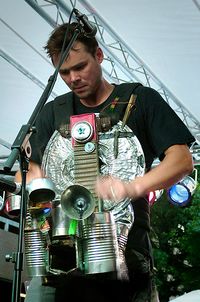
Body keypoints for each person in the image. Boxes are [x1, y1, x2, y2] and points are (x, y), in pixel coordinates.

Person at [15, 21, 195, 302]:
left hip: (126, 256)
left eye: (80, 67)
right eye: (64, 72)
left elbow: (182, 160)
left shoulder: (139, 100)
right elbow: (30, 171)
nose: (73, 78)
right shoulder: (52, 113)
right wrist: (32, 187)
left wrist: (131, 187)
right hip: (63, 259)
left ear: (99, 55)